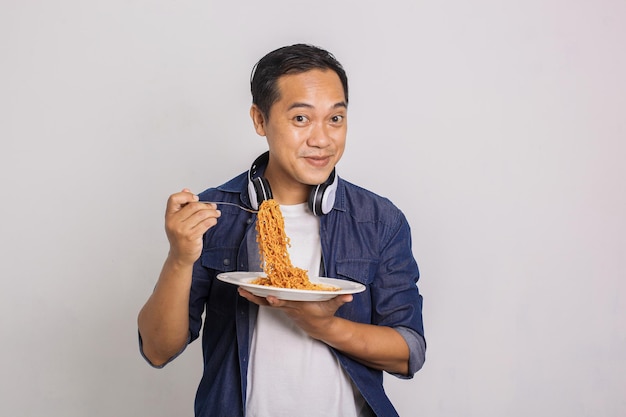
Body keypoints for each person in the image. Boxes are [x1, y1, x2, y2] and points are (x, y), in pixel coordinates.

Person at [137, 43, 426, 417]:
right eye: (301, 119)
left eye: (335, 119)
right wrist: (179, 259)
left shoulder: (379, 220)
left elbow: (409, 352)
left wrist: (323, 325)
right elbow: (158, 350)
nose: (322, 139)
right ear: (260, 120)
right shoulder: (212, 213)